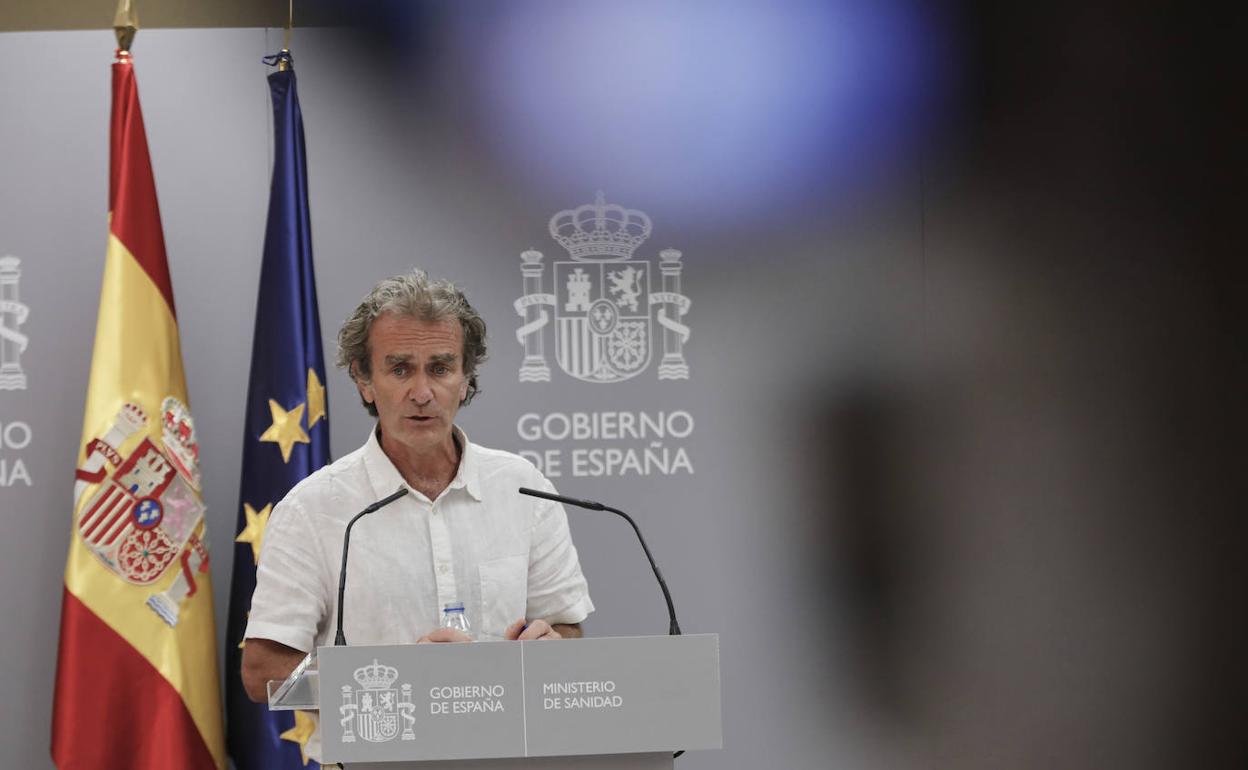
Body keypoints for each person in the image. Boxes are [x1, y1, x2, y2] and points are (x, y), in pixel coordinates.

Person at [240, 269, 594, 712]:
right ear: (363, 379)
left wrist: (553, 643)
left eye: (441, 368)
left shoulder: (524, 489)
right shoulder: (313, 509)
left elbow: (567, 627)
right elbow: (262, 674)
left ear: (466, 380)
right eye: (400, 369)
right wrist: (403, 683)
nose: (422, 392)